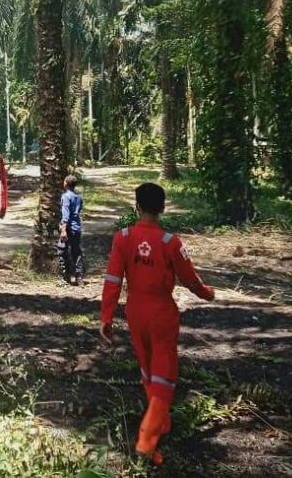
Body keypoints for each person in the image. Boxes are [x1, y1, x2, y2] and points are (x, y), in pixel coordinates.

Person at [100, 182, 215, 466]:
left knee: (149, 371)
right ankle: (146, 442)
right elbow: (191, 280)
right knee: (165, 375)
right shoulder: (170, 243)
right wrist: (207, 294)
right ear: (162, 208)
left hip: (135, 312)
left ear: (136, 206)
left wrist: (106, 317)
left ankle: (160, 425)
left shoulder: (122, 238)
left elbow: (113, 279)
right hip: (162, 312)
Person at [60, 174, 84, 286]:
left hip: (68, 227)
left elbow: (66, 214)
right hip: (77, 227)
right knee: (76, 252)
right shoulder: (79, 197)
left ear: (66, 183)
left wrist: (63, 229)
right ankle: (79, 277)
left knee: (62, 250)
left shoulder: (66, 196)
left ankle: (66, 276)